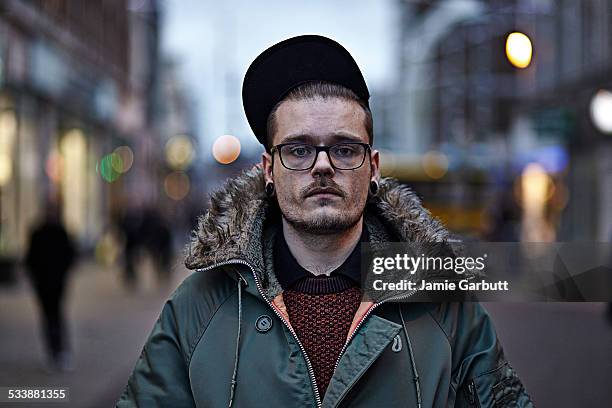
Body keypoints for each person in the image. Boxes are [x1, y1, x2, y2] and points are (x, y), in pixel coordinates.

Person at [117, 35, 532, 407]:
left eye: (344, 149)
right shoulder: (198, 306)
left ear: (372, 168)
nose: (322, 167)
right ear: (267, 169)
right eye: (298, 150)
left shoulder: (446, 307)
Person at [25, 203, 76, 371]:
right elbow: (30, 259)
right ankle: (53, 351)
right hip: (42, 284)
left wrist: (63, 274)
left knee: (57, 316)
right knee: (48, 318)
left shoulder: (61, 232)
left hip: (57, 283)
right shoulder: (37, 233)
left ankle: (61, 351)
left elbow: (70, 256)